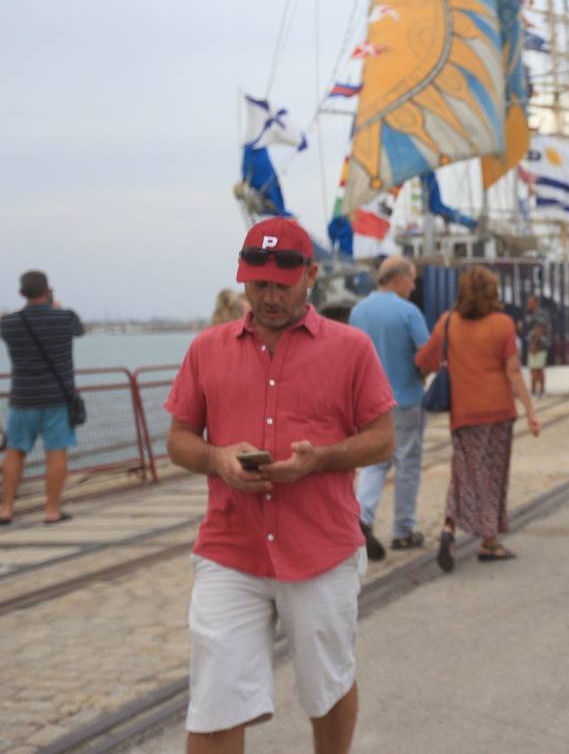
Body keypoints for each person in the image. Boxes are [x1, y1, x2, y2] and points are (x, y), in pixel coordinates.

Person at [164, 217, 396, 753]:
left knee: (327, 687)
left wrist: (320, 460)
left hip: (320, 548)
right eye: (258, 284)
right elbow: (179, 440)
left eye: (281, 285)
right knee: (215, 699)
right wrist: (218, 458)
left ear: (310, 276)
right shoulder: (206, 349)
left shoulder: (352, 348)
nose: (268, 297)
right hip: (230, 549)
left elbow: (383, 439)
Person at [417, 266, 541, 571]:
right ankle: (489, 541)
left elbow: (424, 362)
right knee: (492, 475)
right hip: (498, 412)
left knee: (463, 472)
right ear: (492, 292)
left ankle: (449, 527)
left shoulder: (447, 322)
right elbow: (513, 370)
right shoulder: (503, 323)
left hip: (464, 414)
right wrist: (531, 412)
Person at [349, 256, 431, 561]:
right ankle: (403, 530)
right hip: (406, 399)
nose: (413, 287)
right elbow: (426, 353)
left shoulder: (358, 311)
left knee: (374, 462)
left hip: (370, 403)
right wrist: (424, 375)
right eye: (412, 280)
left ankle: (363, 516)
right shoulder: (409, 312)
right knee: (407, 463)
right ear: (399, 279)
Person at [0, 271, 84, 525]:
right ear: (47, 290)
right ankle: (52, 510)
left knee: (15, 452)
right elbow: (80, 330)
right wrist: (55, 308)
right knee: (56, 453)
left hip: (22, 399)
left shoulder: (10, 323)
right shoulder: (65, 318)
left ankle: (6, 509)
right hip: (57, 400)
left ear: (21, 293)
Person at [520, 295, 551, 399]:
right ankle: (540, 392)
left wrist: (535, 345)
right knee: (537, 369)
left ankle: (535, 392)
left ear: (536, 303)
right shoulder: (531, 314)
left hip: (538, 345)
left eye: (530, 303)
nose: (528, 305)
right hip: (536, 345)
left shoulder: (539, 314)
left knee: (535, 369)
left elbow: (538, 330)